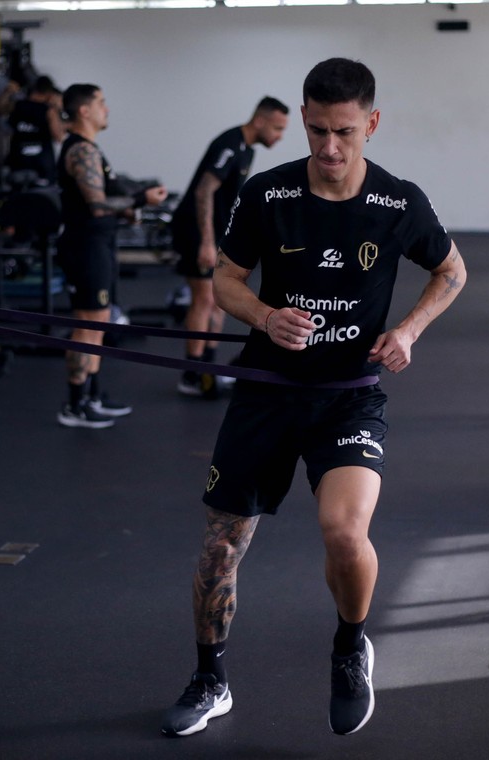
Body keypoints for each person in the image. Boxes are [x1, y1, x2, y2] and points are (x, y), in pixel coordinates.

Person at [161, 58, 466, 739]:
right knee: (220, 545)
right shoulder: (266, 194)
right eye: (318, 130)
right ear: (301, 119)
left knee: (343, 532)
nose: (330, 148)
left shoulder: (398, 202)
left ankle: (350, 645)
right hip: (268, 391)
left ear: (372, 124)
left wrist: (409, 330)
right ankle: (210, 678)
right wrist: (265, 316)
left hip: (348, 397)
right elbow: (227, 279)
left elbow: (452, 270)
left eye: (346, 133)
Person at [55, 83, 167, 428]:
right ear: (84, 111)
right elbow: (97, 204)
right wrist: (139, 201)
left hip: (98, 245)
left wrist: (130, 208)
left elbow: (105, 201)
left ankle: (92, 394)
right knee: (87, 325)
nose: (107, 108)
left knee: (99, 322)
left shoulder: (90, 150)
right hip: (85, 247)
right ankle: (75, 405)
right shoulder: (81, 152)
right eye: (101, 103)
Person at [171, 97, 290, 397]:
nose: (279, 136)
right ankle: (191, 373)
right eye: (277, 128)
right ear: (260, 121)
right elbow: (203, 191)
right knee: (202, 299)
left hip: (216, 234)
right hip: (197, 232)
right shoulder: (230, 143)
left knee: (216, 298)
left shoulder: (246, 149)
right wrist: (207, 242)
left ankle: (208, 368)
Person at [6, 75, 66, 187]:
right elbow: (59, 137)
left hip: (19, 163)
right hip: (39, 167)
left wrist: (7, 93)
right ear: (49, 93)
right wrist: (57, 110)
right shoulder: (48, 112)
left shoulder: (18, 105)